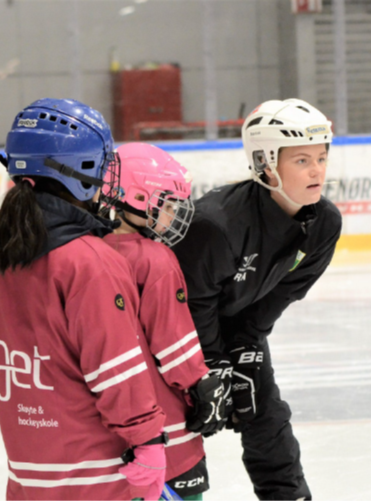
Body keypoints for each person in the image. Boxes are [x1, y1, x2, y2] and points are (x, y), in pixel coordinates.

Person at [0, 99, 168, 501]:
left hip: (29, 473)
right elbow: (116, 369)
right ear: (78, 170)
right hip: (95, 477)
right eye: (99, 164)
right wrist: (148, 439)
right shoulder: (90, 261)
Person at [171, 98, 342, 501]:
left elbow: (280, 294)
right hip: (173, 332)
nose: (317, 170)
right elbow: (192, 303)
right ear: (266, 163)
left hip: (235, 324)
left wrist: (246, 347)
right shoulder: (216, 225)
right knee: (181, 422)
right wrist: (212, 365)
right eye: (302, 161)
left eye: (321, 157)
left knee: (266, 414)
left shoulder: (324, 224)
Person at [102, 142, 229, 501]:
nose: (174, 217)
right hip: (166, 426)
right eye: (167, 205)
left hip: (118, 423)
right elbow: (173, 343)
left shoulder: (90, 251)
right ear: (137, 198)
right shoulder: (155, 260)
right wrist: (202, 385)